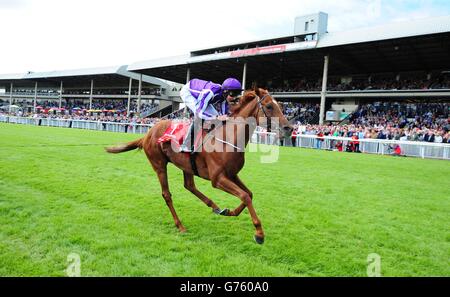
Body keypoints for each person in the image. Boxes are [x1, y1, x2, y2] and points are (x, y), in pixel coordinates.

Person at [179, 77, 243, 152]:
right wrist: (216, 117)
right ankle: (186, 145)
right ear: (225, 92)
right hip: (188, 92)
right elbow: (200, 112)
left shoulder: (224, 98)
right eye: (233, 94)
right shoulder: (210, 93)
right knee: (200, 117)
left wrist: (224, 117)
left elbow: (223, 115)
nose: (234, 98)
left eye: (237, 94)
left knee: (217, 116)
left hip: (202, 96)